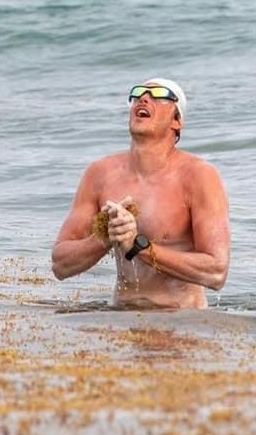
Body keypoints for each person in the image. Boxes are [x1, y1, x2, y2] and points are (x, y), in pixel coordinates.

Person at [51, 78, 229, 309]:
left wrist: (138, 247)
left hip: (181, 319)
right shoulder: (100, 173)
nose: (143, 98)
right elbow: (60, 265)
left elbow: (216, 272)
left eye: (158, 95)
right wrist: (105, 237)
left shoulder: (199, 176)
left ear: (176, 121)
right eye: (138, 94)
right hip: (119, 315)